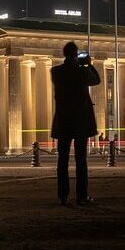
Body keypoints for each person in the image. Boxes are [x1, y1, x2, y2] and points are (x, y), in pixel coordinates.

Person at [51, 42, 101, 206]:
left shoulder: (56, 71)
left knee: (62, 161)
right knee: (81, 160)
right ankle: (81, 196)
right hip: (80, 121)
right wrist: (88, 64)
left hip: (64, 120)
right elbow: (97, 81)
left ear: (64, 54)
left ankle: (63, 197)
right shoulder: (82, 72)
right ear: (75, 54)